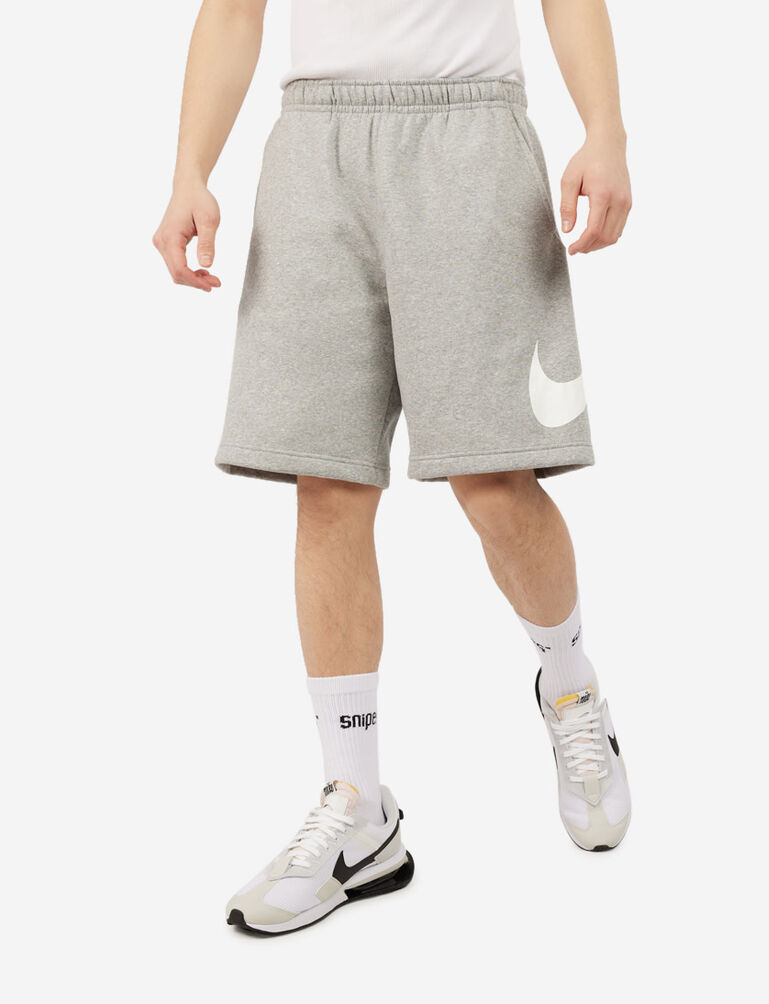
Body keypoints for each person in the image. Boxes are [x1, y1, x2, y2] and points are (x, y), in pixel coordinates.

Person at [154, 0, 633, 936]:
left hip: (470, 135)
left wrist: (605, 127)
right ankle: (359, 809)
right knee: (327, 486)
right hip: (312, 155)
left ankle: (570, 685)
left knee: (494, 482)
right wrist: (189, 172)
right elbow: (232, 11)